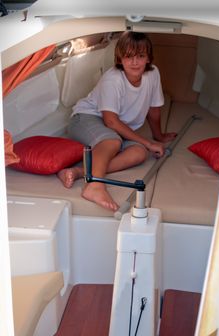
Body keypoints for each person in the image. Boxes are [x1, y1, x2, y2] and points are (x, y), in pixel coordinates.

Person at [57, 31, 176, 211]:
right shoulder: (113, 80)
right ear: (120, 59)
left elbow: (154, 109)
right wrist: (149, 143)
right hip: (86, 118)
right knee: (112, 141)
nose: (134, 62)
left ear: (148, 59)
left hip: (119, 128)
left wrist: (158, 136)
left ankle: (80, 172)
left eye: (140, 56)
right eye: (128, 57)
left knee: (139, 153)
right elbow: (110, 121)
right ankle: (95, 186)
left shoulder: (153, 74)